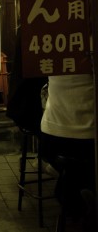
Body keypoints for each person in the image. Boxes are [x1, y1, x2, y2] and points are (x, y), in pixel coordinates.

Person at [40, 73, 96, 229]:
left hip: (52, 137)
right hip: (90, 138)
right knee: (84, 171)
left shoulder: (50, 51)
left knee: (71, 172)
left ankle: (73, 202)